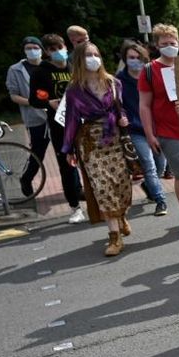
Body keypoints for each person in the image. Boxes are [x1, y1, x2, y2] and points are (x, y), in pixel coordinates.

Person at [61, 42, 133, 256]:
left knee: (121, 184)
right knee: (102, 188)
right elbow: (71, 120)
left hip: (115, 140)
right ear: (79, 61)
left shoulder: (113, 82)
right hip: (90, 143)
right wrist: (68, 149)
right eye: (88, 55)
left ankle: (121, 216)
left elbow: (123, 108)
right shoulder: (74, 90)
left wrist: (124, 119)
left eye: (96, 54)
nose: (93, 58)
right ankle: (114, 237)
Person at [139, 24, 179, 235]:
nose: (169, 46)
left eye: (173, 43)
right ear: (157, 45)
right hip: (169, 131)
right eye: (164, 43)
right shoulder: (149, 71)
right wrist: (149, 134)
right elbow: (144, 105)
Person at [28, 33, 85, 223]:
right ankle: (75, 207)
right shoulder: (40, 72)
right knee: (67, 165)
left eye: (59, 47)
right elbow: (34, 99)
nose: (57, 52)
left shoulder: (74, 68)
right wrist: (49, 102)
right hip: (60, 125)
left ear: (65, 47)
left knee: (88, 161)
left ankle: (92, 199)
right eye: (52, 50)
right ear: (46, 52)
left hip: (82, 123)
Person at [117, 41, 167, 216]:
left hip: (158, 127)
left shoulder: (151, 75)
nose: (135, 60)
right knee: (149, 164)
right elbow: (116, 104)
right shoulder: (119, 81)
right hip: (136, 130)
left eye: (138, 57)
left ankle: (149, 186)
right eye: (131, 57)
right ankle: (161, 200)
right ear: (125, 59)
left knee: (161, 164)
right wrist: (121, 116)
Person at [6, 36, 50, 200]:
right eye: (28, 48)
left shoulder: (49, 66)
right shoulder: (16, 70)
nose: (32, 50)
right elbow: (13, 95)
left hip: (56, 115)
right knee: (38, 152)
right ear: (24, 50)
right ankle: (27, 178)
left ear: (41, 49)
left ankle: (76, 187)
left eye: (35, 47)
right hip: (35, 117)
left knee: (65, 151)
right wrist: (33, 102)